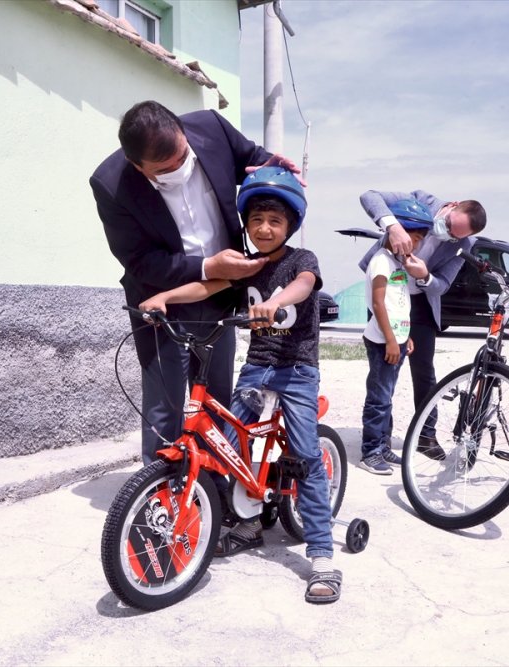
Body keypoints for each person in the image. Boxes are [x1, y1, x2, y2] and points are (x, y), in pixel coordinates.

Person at [140, 168, 341, 605]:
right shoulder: (248, 265)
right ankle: (248, 523)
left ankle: (323, 556)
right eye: (256, 221)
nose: (264, 228)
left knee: (306, 456)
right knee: (228, 448)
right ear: (246, 224)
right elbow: (207, 285)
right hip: (256, 369)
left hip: (296, 371)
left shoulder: (301, 262)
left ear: (290, 226)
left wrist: (274, 301)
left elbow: (304, 287)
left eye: (275, 221)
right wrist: (167, 298)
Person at [90, 101, 301, 464]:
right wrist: (207, 265)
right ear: (136, 165)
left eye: (181, 157)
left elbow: (252, 158)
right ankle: (161, 499)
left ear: (183, 134)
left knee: (216, 398)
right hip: (161, 303)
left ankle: (216, 491)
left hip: (221, 295)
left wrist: (275, 167)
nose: (178, 170)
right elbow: (139, 261)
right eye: (163, 170)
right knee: (165, 405)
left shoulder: (210, 128)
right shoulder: (111, 184)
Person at [358, 190, 487, 460]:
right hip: (387, 297)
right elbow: (369, 196)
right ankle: (379, 439)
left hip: (419, 306)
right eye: (449, 225)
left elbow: (443, 285)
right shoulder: (420, 202)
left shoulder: (465, 244)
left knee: (425, 373)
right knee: (383, 373)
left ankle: (425, 435)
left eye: (456, 235)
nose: (449, 234)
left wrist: (426, 276)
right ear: (451, 206)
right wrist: (392, 227)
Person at [359, 201, 433, 475]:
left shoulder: (396, 262)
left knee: (387, 396)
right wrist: (391, 340)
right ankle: (370, 452)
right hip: (382, 341)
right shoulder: (380, 260)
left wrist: (405, 336)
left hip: (396, 339)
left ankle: (383, 445)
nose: (415, 245)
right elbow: (378, 304)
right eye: (414, 238)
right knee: (378, 398)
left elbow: (398, 302)